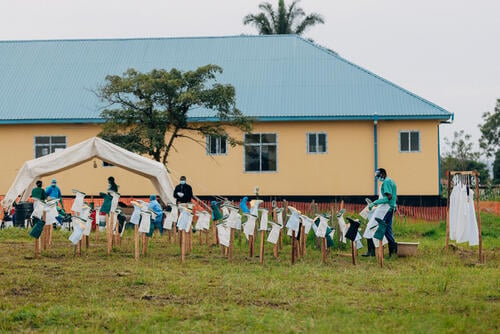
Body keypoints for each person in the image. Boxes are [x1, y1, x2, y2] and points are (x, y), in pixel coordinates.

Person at [366, 168, 398, 257]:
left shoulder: (386, 182)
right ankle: (393, 252)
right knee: (388, 229)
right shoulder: (391, 181)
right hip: (391, 208)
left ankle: (379, 250)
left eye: (379, 176)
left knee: (380, 228)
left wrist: (374, 203)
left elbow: (389, 197)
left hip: (386, 209)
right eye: (377, 177)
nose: (378, 178)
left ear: (383, 174)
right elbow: (395, 197)